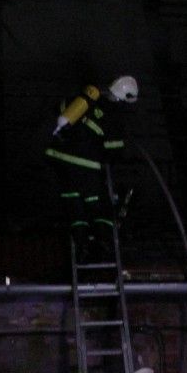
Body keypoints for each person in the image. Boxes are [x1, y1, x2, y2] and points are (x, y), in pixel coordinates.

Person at [45, 75, 137, 262]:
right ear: (125, 98)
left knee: (74, 204)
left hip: (59, 159)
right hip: (86, 165)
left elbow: (59, 109)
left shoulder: (86, 100)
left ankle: (81, 246)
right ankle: (103, 242)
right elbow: (115, 149)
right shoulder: (113, 115)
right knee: (100, 204)